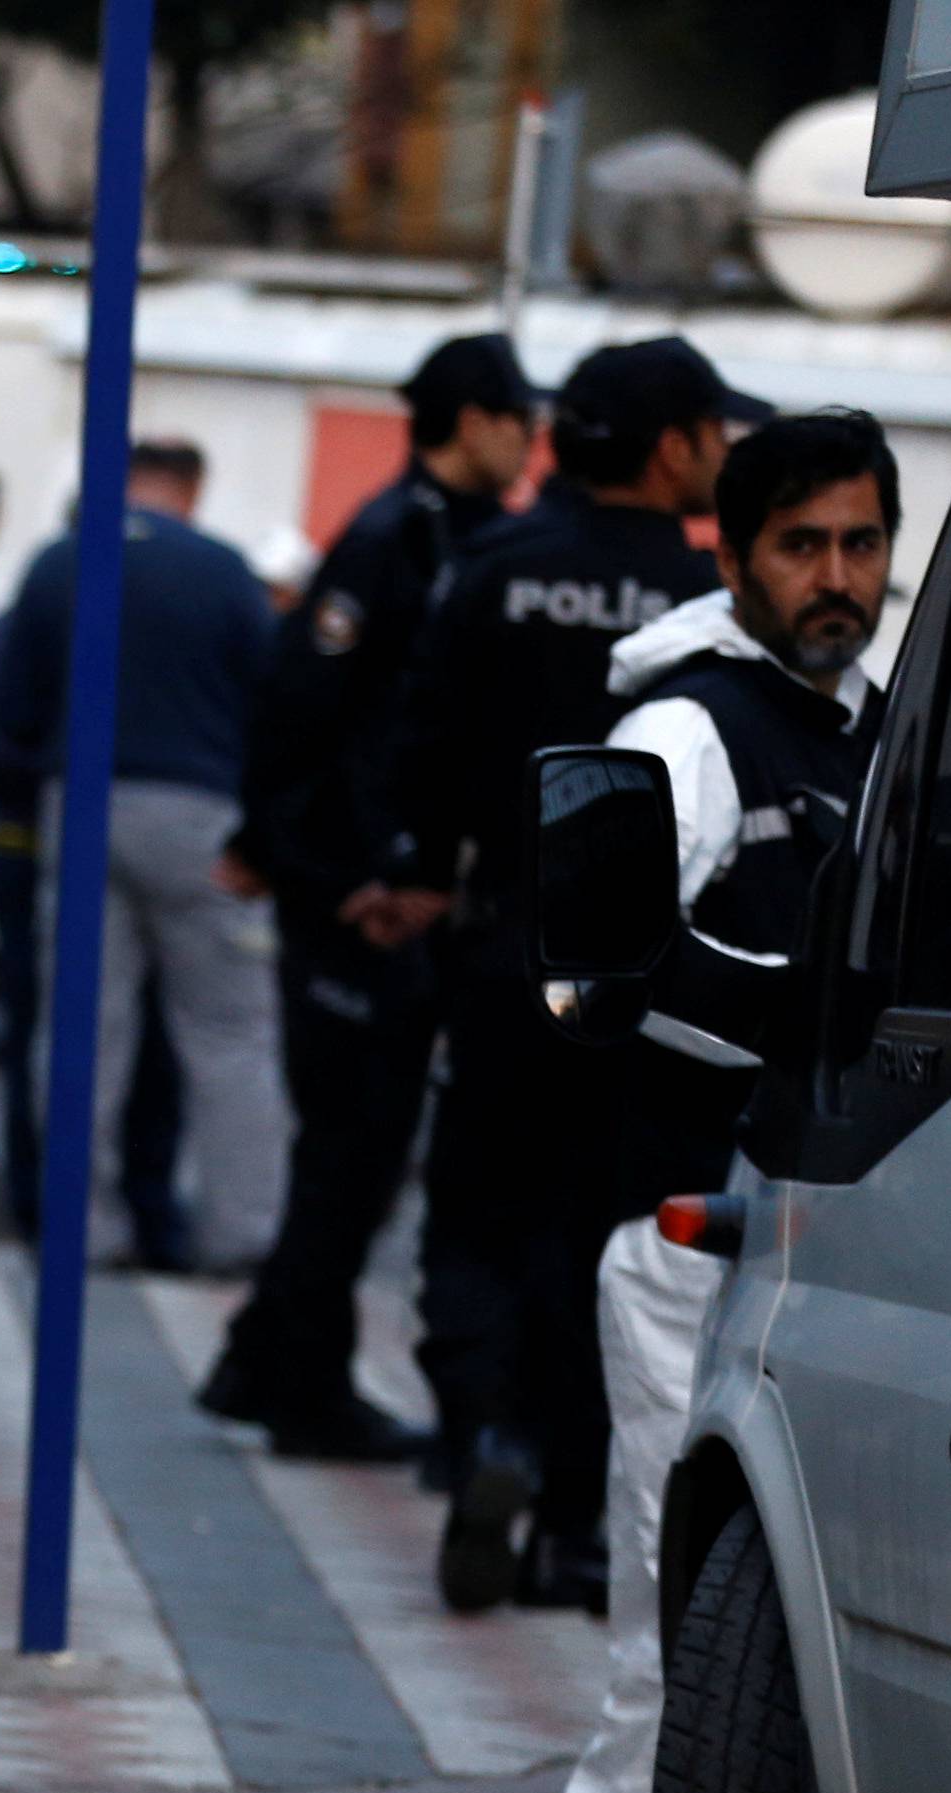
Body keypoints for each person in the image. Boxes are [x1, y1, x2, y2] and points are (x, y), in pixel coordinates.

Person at [538, 409, 898, 1793]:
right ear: (733, 552)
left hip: (841, 1241)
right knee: (672, 1585)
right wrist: (808, 1006)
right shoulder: (688, 730)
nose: (838, 577)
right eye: (803, 545)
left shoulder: (885, 726)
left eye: (863, 543)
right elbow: (603, 967)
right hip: (688, 1232)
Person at [394, 335, 770, 1613]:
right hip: (632, 986)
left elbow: (423, 748)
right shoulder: (699, 603)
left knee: (471, 1212)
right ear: (675, 448)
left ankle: (480, 1431)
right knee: (589, 1233)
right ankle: (568, 1519)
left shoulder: (493, 568)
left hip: (498, 944)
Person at [198, 333, 536, 1459]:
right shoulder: (393, 540)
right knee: (352, 1149)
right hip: (351, 902)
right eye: (518, 416)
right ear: (474, 421)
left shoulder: (456, 537)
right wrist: (319, 868)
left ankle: (262, 1358)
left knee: (354, 1149)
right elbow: (308, 707)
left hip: (383, 887)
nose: (530, 438)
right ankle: (303, 1391)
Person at [0, 438, 283, 1272]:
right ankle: (240, 1233)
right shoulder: (227, 572)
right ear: (193, 488)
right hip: (200, 817)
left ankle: (83, 1230)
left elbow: (14, 710)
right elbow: (272, 705)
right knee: (229, 1035)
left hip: (80, 806)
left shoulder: (57, 564)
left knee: (84, 1032)